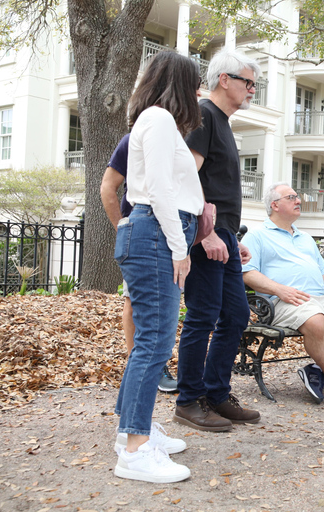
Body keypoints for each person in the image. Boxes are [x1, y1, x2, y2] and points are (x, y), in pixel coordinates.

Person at [112, 51, 204, 483]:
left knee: (149, 341)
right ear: (181, 84)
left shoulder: (151, 120)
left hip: (152, 233)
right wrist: (179, 248)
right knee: (154, 342)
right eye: (196, 85)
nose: (199, 93)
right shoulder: (160, 119)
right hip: (156, 234)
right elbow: (162, 191)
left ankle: (135, 430)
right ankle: (134, 450)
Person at [174, 49, 261, 432]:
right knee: (203, 315)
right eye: (248, 82)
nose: (252, 91)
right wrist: (206, 232)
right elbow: (186, 177)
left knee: (236, 315)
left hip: (223, 234)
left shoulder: (223, 122)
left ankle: (216, 393)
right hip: (203, 234)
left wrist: (228, 233)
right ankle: (188, 400)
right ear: (224, 79)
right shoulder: (205, 115)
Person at [241, 183, 324, 404]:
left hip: (319, 299)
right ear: (274, 205)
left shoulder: (305, 238)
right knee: (316, 321)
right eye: (291, 197)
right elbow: (247, 273)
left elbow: (323, 272)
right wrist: (278, 289)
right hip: (282, 301)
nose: (298, 200)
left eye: (297, 197)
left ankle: (315, 369)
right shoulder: (257, 236)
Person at [100, 133, 178, 394]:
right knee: (134, 300)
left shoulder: (182, 140)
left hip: (179, 232)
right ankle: (140, 366)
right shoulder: (134, 140)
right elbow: (108, 187)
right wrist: (123, 229)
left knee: (171, 302)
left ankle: (154, 364)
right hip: (143, 231)